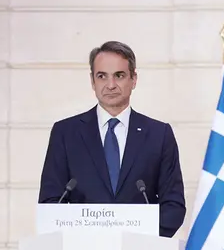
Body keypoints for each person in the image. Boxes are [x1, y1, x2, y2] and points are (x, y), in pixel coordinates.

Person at [38, 41, 186, 238]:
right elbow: (51, 203)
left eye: (119, 75)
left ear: (134, 79)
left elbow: (173, 205)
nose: (110, 85)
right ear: (92, 81)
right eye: (102, 76)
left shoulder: (159, 134)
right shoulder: (65, 133)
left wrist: (142, 239)